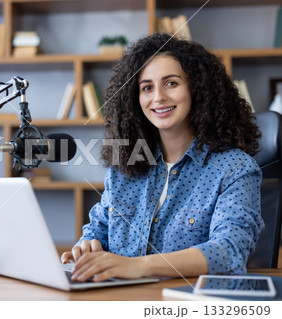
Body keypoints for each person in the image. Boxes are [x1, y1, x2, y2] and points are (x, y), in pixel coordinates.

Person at [61, 33, 264, 282]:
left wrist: (138, 266)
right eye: (147, 87)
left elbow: (228, 251)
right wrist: (87, 247)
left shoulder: (235, 169)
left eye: (171, 83)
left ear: (197, 89)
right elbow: (98, 231)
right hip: (120, 300)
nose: (158, 97)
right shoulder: (126, 166)